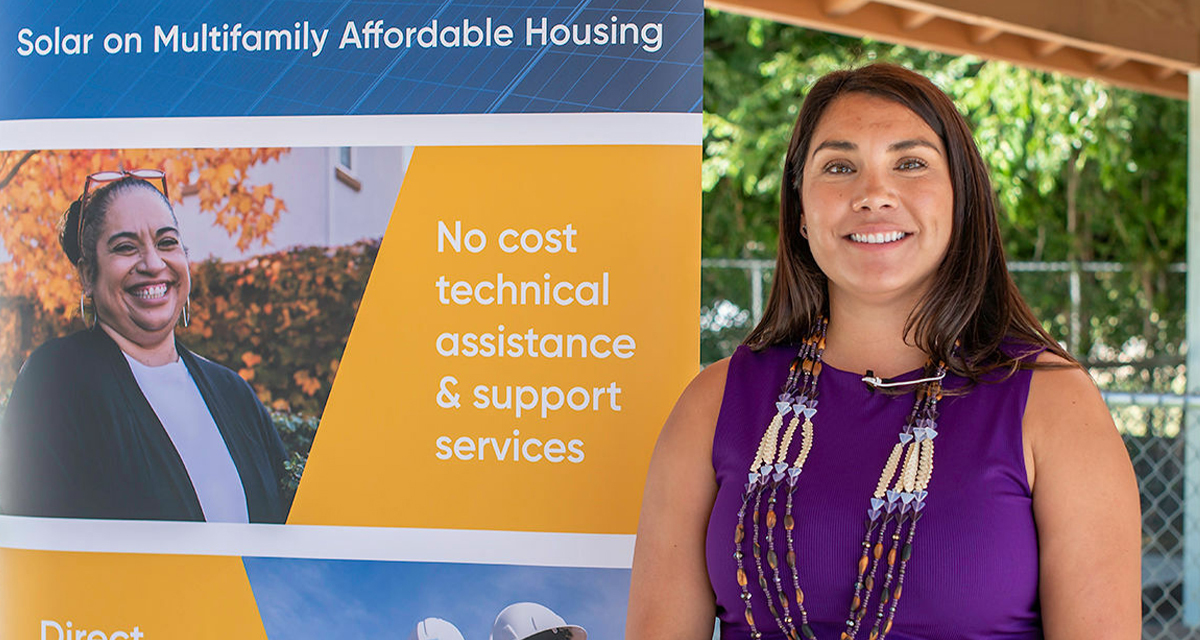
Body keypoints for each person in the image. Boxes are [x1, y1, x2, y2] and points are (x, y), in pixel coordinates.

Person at [627, 64, 1140, 639]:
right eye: (840, 167)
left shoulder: (1051, 403)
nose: (873, 195)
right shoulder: (714, 403)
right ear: (801, 211)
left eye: (910, 163)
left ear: (960, 198)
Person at [0, 170, 289, 523]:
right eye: (125, 247)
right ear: (88, 275)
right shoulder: (57, 379)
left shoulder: (233, 392)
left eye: (167, 242)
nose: (153, 264)